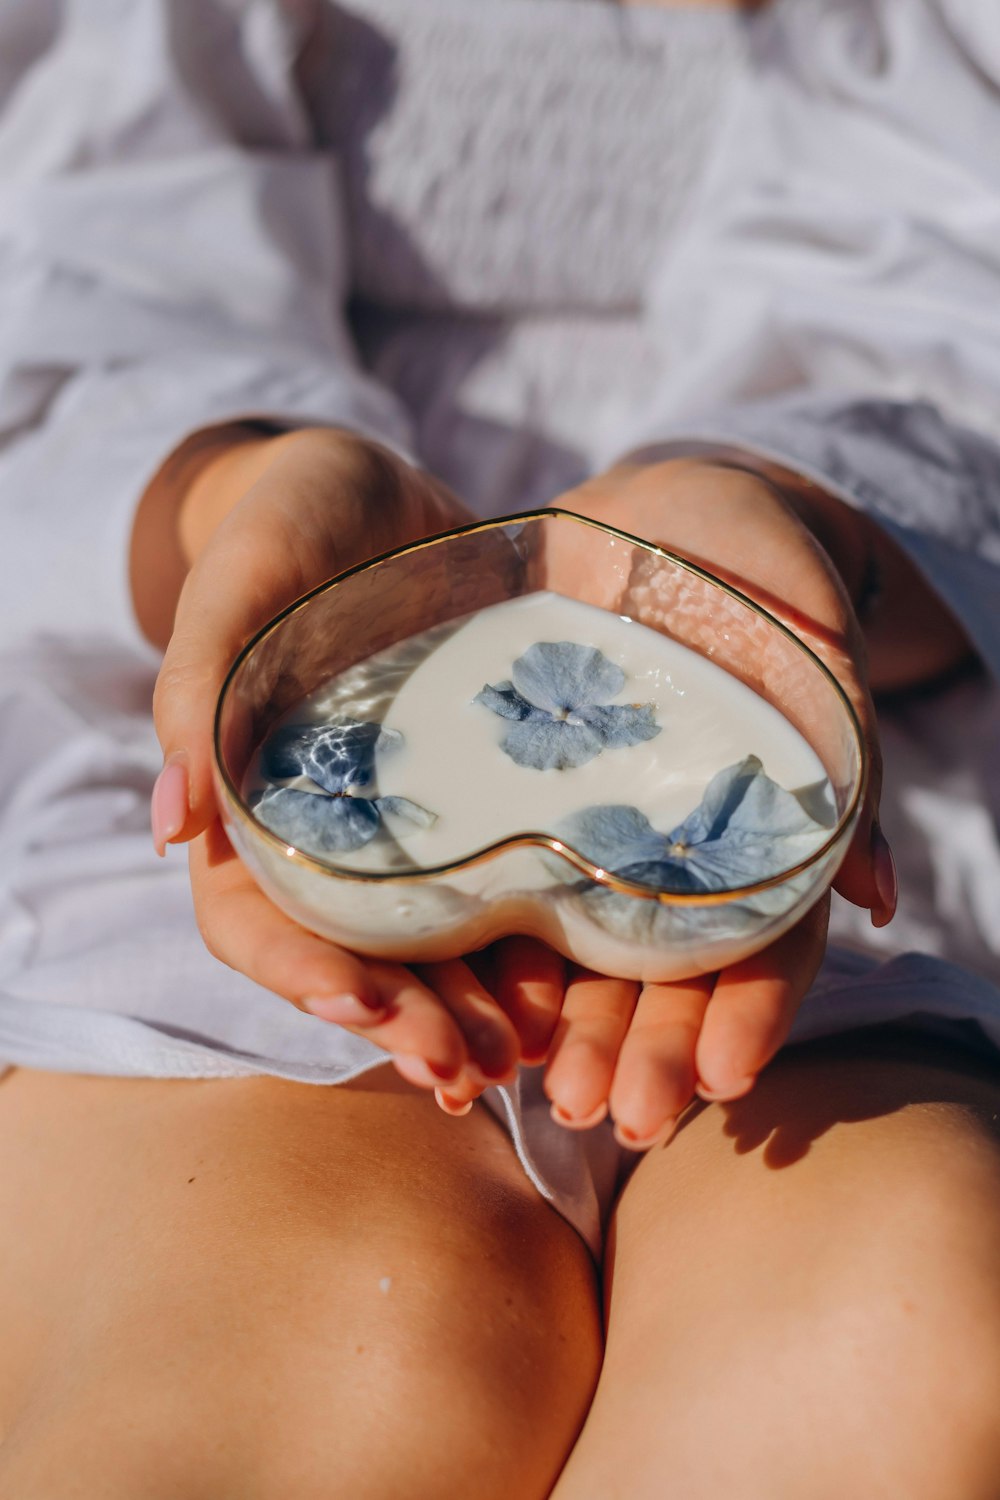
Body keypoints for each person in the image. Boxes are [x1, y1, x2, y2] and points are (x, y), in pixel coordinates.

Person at [1, 0, 999, 1494]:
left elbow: (961, 334)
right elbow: (69, 301)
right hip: (276, 758)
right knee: (332, 1361)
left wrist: (799, 523)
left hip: (846, 763)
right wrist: (244, 499)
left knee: (905, 1343)